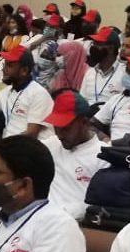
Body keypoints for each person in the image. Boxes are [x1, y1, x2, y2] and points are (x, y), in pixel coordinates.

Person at [41, 90, 109, 221]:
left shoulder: (103, 156)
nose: (59, 134)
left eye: (65, 128)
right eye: (56, 128)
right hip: (41, 217)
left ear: (85, 123)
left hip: (75, 223)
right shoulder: (50, 144)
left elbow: (98, 204)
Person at [0, 46, 54, 146]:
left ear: (24, 71)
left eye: (9, 66)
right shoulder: (9, 90)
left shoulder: (39, 94)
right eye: (4, 64)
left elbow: (31, 135)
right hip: (9, 146)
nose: (3, 69)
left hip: (30, 149)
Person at [81, 27, 124, 105]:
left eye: (98, 44)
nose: (93, 47)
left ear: (111, 48)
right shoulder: (90, 72)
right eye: (93, 43)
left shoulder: (124, 73)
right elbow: (82, 100)